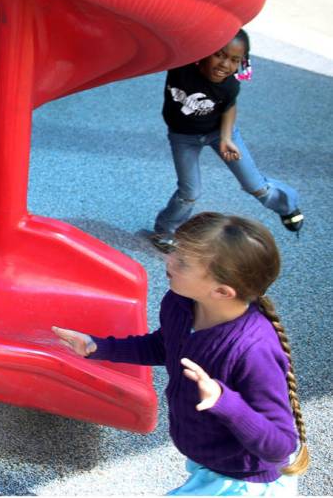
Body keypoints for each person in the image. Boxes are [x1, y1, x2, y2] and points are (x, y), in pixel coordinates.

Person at [54, 212, 309, 495]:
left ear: (222, 291)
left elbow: (280, 446)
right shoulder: (180, 303)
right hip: (211, 460)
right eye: (175, 248)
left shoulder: (253, 350)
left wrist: (225, 401)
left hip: (243, 481)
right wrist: (98, 347)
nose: (168, 259)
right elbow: (165, 346)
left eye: (183, 262)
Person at [153, 29, 302, 250]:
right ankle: (165, 231)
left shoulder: (230, 85)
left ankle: (287, 206)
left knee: (255, 186)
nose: (225, 64)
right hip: (183, 137)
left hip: (220, 133)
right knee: (190, 193)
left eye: (235, 60)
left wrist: (225, 138)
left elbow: (229, 108)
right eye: (219, 55)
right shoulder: (181, 66)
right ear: (205, 51)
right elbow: (172, 36)